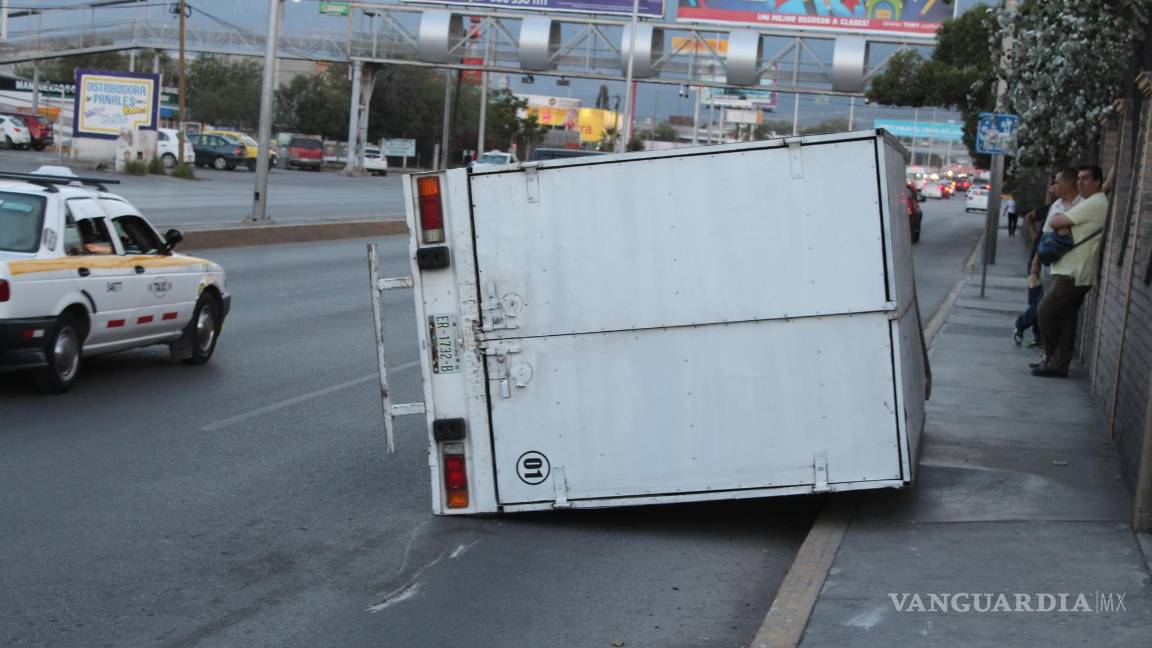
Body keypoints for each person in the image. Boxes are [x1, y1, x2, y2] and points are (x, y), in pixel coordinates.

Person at [1031, 165, 1108, 378]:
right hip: (1070, 268)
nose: (1080, 183)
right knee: (1066, 319)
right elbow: (1057, 223)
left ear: (1098, 182)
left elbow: (1055, 221)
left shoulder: (1095, 203)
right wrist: (1062, 224)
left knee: (1045, 310)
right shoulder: (1091, 201)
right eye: (1079, 179)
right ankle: (1058, 364)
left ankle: (1051, 358)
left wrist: (1062, 223)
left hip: (1075, 272)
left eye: (1086, 179)